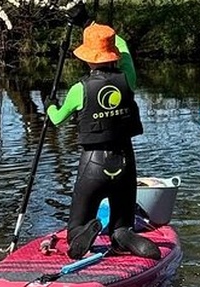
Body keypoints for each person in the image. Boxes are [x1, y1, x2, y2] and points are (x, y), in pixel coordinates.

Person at [47, 16, 160, 260]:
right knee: (121, 226)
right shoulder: (127, 79)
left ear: (87, 58)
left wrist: (50, 105)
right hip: (125, 161)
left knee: (74, 230)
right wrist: (101, 29)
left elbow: (56, 119)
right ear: (114, 54)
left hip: (93, 165)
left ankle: (85, 230)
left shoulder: (80, 89)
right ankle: (125, 236)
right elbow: (126, 52)